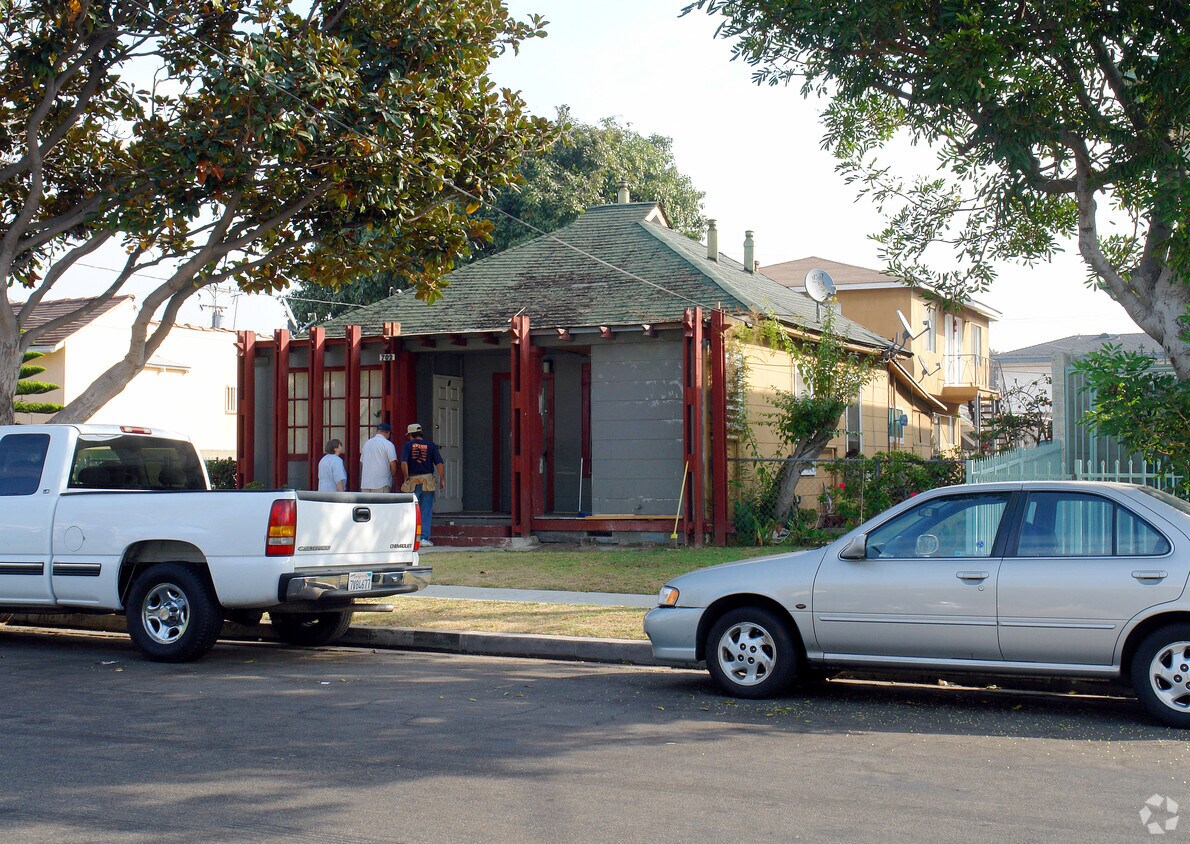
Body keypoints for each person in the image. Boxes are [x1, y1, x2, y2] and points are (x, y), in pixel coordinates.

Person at [400, 422, 445, 546]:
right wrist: (442, 479)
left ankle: (411, 537)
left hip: (413, 480)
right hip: (428, 480)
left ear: (411, 434)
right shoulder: (430, 445)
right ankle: (424, 538)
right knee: (426, 510)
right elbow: (439, 463)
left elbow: (404, 463)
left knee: (410, 510)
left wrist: (406, 477)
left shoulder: (407, 445)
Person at [359, 422, 397, 492]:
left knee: (366, 503)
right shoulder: (388, 444)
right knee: (381, 503)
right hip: (382, 483)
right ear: (388, 433)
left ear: (377, 432)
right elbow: (393, 463)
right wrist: (393, 477)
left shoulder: (367, 443)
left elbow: (362, 462)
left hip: (366, 483)